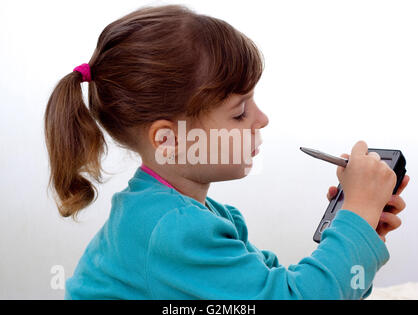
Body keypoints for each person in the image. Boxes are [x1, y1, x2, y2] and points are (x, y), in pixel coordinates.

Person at [44, 4, 409, 299]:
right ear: (168, 140)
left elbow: (278, 287)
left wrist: (362, 234)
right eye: (239, 112)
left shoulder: (190, 214)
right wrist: (356, 217)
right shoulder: (174, 230)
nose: (262, 119)